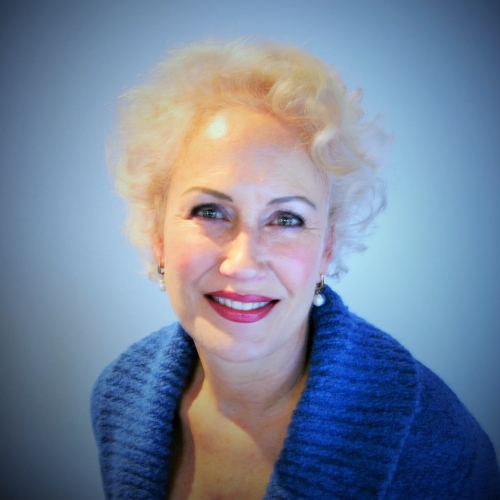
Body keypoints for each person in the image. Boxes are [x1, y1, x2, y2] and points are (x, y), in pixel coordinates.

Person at [91, 39, 500, 499]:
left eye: (286, 219)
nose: (243, 263)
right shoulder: (117, 398)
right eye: (210, 211)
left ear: (327, 247)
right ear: (158, 233)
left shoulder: (436, 446)